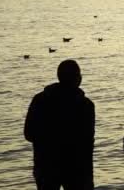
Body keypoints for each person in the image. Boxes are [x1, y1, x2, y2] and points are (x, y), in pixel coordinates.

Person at [24, 59, 95, 190]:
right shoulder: (85, 105)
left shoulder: (39, 100)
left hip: (46, 166)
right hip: (77, 169)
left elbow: (28, 134)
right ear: (77, 78)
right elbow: (87, 143)